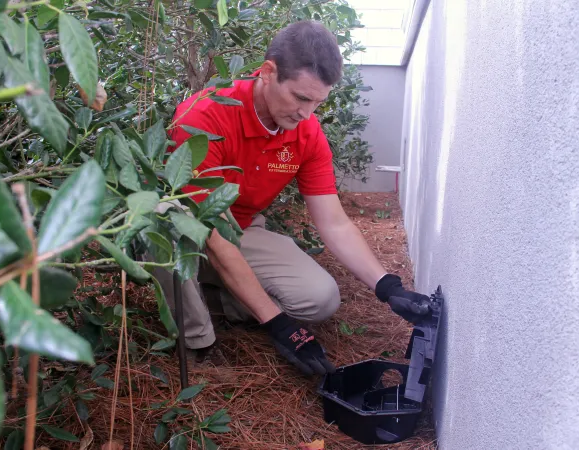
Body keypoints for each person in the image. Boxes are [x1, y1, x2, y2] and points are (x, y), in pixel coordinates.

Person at [156, 20, 431, 376]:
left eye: (318, 102)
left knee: (319, 298)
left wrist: (387, 285)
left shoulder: (306, 132)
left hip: (243, 229)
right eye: (301, 98)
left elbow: (332, 221)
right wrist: (277, 324)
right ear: (268, 72)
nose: (307, 114)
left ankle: (208, 297)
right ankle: (197, 343)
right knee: (161, 220)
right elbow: (211, 232)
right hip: (191, 229)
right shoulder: (205, 117)